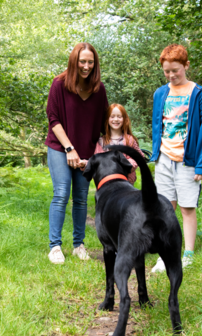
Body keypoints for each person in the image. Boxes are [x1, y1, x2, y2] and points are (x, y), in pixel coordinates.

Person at [149, 44, 202, 273]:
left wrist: (201, 166)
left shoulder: (199, 94)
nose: (171, 75)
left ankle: (188, 254)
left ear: (186, 65)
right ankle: (164, 255)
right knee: (165, 208)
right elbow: (158, 124)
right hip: (164, 158)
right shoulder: (160, 94)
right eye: (167, 71)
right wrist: (156, 154)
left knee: (187, 208)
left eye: (176, 70)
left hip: (188, 160)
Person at [45, 42, 108, 264]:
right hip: (60, 148)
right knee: (62, 193)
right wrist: (69, 148)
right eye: (82, 61)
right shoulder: (59, 84)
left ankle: (78, 245)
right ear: (74, 61)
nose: (86, 66)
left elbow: (104, 125)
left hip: (86, 154)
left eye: (91, 62)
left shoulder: (99, 90)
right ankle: (55, 247)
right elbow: (53, 119)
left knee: (81, 198)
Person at [81, 103, 145, 186]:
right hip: (106, 183)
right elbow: (96, 161)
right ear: (107, 119)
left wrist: (125, 164)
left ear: (124, 119)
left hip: (126, 183)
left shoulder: (129, 140)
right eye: (112, 116)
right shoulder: (101, 141)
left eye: (119, 116)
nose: (116, 119)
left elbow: (140, 157)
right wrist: (84, 163)